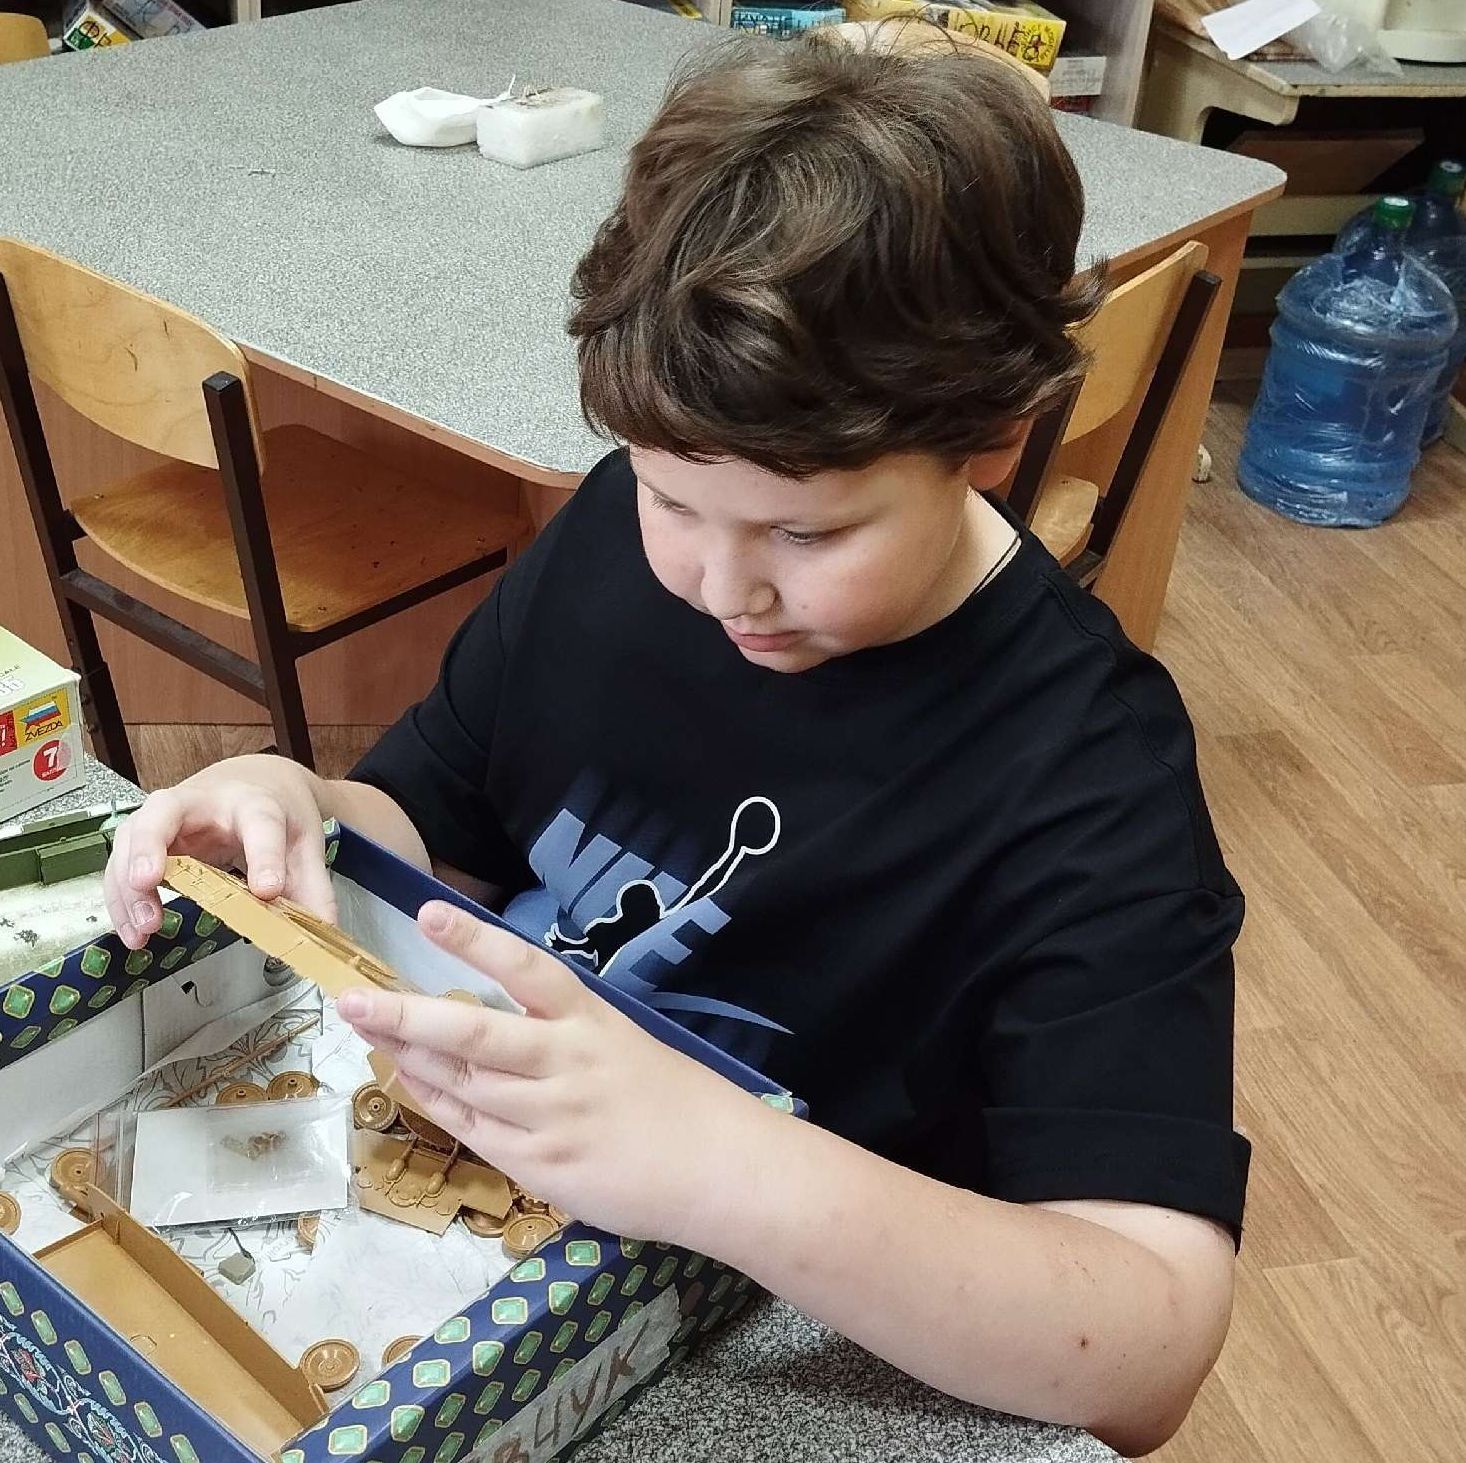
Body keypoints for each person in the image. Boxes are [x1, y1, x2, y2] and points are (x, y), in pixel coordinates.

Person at [104, 23, 1246, 1455]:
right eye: (672, 500)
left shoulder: (1089, 771)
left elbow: (1148, 1349)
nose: (721, 587)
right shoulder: (609, 535)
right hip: (501, 1256)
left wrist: (719, 1162)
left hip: (796, 1323)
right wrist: (305, 809)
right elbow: (436, 820)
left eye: (807, 534)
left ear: (996, 441)